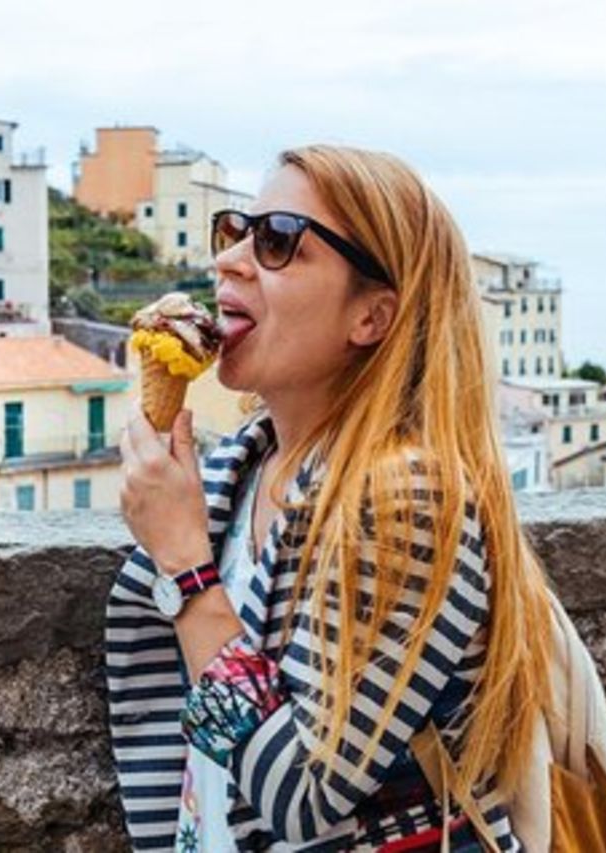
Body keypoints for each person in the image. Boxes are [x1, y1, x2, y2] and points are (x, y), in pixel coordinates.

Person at [109, 144, 557, 851]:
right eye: (236, 230)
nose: (229, 260)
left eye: (279, 240)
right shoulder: (242, 470)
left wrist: (187, 569)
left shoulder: (408, 495)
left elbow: (305, 794)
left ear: (371, 317)